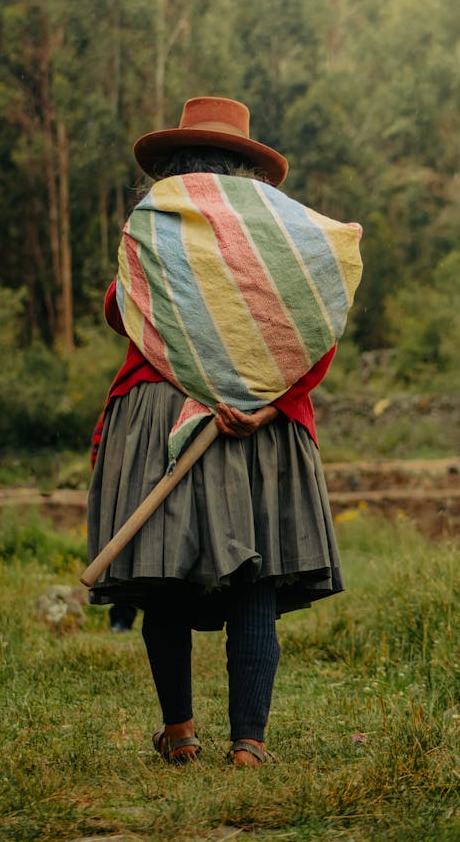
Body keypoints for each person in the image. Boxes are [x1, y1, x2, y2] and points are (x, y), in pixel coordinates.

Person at [86, 97, 362, 767]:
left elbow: (119, 312)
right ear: (244, 166)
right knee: (255, 576)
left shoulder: (152, 222)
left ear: (176, 163)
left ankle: (180, 734)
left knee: (164, 576)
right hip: (261, 424)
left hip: (160, 414)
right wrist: (269, 399)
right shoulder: (283, 235)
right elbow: (318, 325)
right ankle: (249, 744)